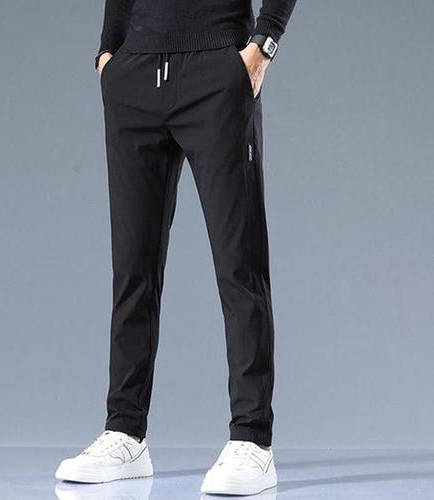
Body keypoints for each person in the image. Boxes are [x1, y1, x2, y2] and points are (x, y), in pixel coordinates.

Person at [56, 0, 297, 495]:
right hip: (134, 74)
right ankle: (125, 432)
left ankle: (252, 438)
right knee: (132, 268)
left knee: (240, 265)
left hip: (217, 69)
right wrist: (108, 51)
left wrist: (263, 46)